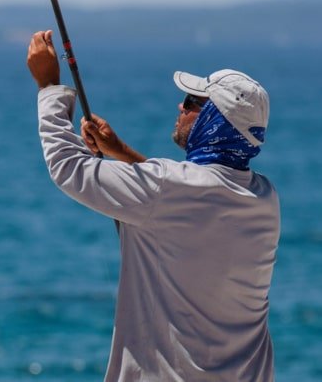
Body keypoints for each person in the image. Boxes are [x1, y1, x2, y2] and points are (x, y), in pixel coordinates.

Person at [26, 30, 280, 382]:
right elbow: (178, 202)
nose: (182, 106)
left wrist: (50, 87)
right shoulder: (264, 199)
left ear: (214, 122)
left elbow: (68, 168)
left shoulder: (166, 188)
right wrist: (120, 152)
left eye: (193, 102)